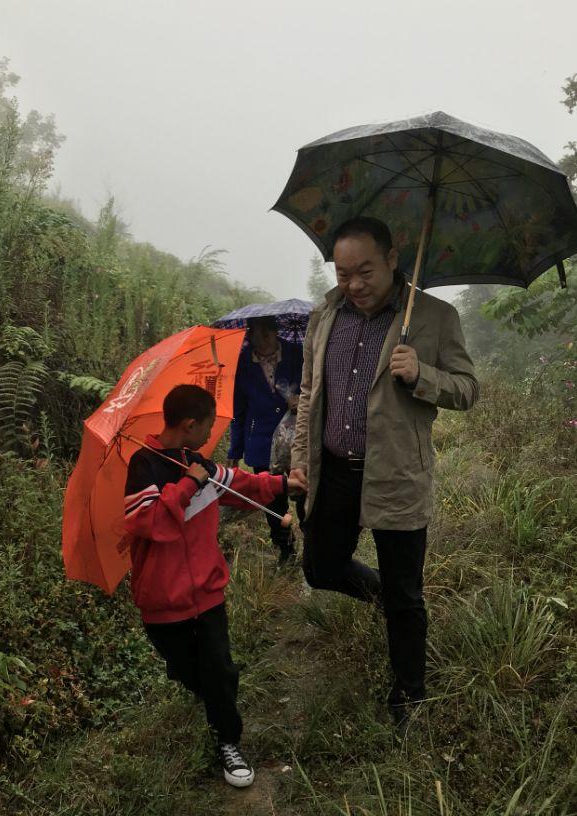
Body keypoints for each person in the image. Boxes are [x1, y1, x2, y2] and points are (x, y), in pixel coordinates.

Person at [289, 217, 478, 726]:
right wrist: (300, 459)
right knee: (320, 568)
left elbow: (467, 389)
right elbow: (310, 393)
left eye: (365, 271)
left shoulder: (435, 317)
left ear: (394, 258)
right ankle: (378, 596)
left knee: (406, 593)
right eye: (343, 273)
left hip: (396, 472)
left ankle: (409, 693)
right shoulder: (326, 314)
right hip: (334, 471)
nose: (353, 285)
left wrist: (422, 375)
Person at [124, 384, 298, 787]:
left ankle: (228, 740)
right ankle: (213, 696)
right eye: (206, 426)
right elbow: (150, 524)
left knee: (219, 669)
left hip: (207, 594)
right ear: (189, 424)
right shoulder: (142, 467)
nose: (209, 435)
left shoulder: (196, 461)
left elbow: (240, 485)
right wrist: (187, 485)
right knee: (188, 671)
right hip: (162, 603)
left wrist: (285, 484)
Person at [227, 316, 304, 563]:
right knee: (272, 501)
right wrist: (234, 451)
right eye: (255, 337)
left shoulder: (296, 354)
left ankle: (313, 548)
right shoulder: (243, 362)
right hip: (260, 443)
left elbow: (315, 387)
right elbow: (238, 409)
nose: (261, 344)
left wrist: (301, 399)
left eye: (266, 336)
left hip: (296, 440)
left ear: (275, 332)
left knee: (304, 493)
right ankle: (286, 551)